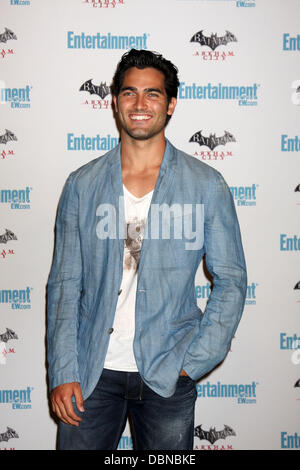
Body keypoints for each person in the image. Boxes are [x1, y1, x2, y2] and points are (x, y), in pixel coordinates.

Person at [47, 49, 247, 450]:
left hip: (168, 374)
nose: (140, 104)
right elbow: (65, 283)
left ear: (171, 104)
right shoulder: (81, 185)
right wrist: (63, 369)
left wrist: (193, 362)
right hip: (90, 373)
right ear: (116, 102)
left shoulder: (206, 185)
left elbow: (232, 279)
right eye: (129, 93)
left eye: (152, 94)